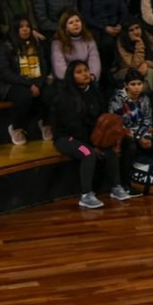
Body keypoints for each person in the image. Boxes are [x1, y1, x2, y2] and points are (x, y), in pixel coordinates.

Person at [53, 59, 130, 209]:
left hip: (90, 136)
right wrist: (92, 144)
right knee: (88, 153)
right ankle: (86, 195)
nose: (85, 74)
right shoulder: (65, 97)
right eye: (79, 72)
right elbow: (71, 126)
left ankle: (116, 187)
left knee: (110, 150)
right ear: (72, 76)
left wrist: (104, 140)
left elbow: (101, 118)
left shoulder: (95, 92)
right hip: (67, 137)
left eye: (86, 70)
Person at [0, 17, 53, 146]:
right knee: (24, 95)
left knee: (50, 92)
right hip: (11, 83)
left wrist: (37, 84)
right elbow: (4, 72)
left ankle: (46, 123)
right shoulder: (6, 45)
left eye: (28, 26)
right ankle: (16, 127)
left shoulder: (36, 44)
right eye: (21, 27)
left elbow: (44, 66)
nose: (25, 29)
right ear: (15, 30)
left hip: (34, 80)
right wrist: (29, 84)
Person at [51, 10, 100, 82]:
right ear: (65, 27)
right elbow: (59, 67)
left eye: (77, 21)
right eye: (71, 23)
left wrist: (92, 76)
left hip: (86, 77)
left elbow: (94, 60)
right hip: (67, 80)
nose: (75, 24)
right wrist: (75, 79)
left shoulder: (89, 39)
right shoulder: (57, 43)